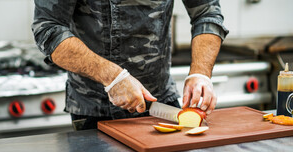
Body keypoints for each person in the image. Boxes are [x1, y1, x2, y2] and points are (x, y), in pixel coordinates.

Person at [32, 0, 228, 130]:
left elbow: (206, 11)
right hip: (95, 110)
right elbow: (48, 28)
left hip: (160, 104)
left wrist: (200, 73)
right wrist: (112, 77)